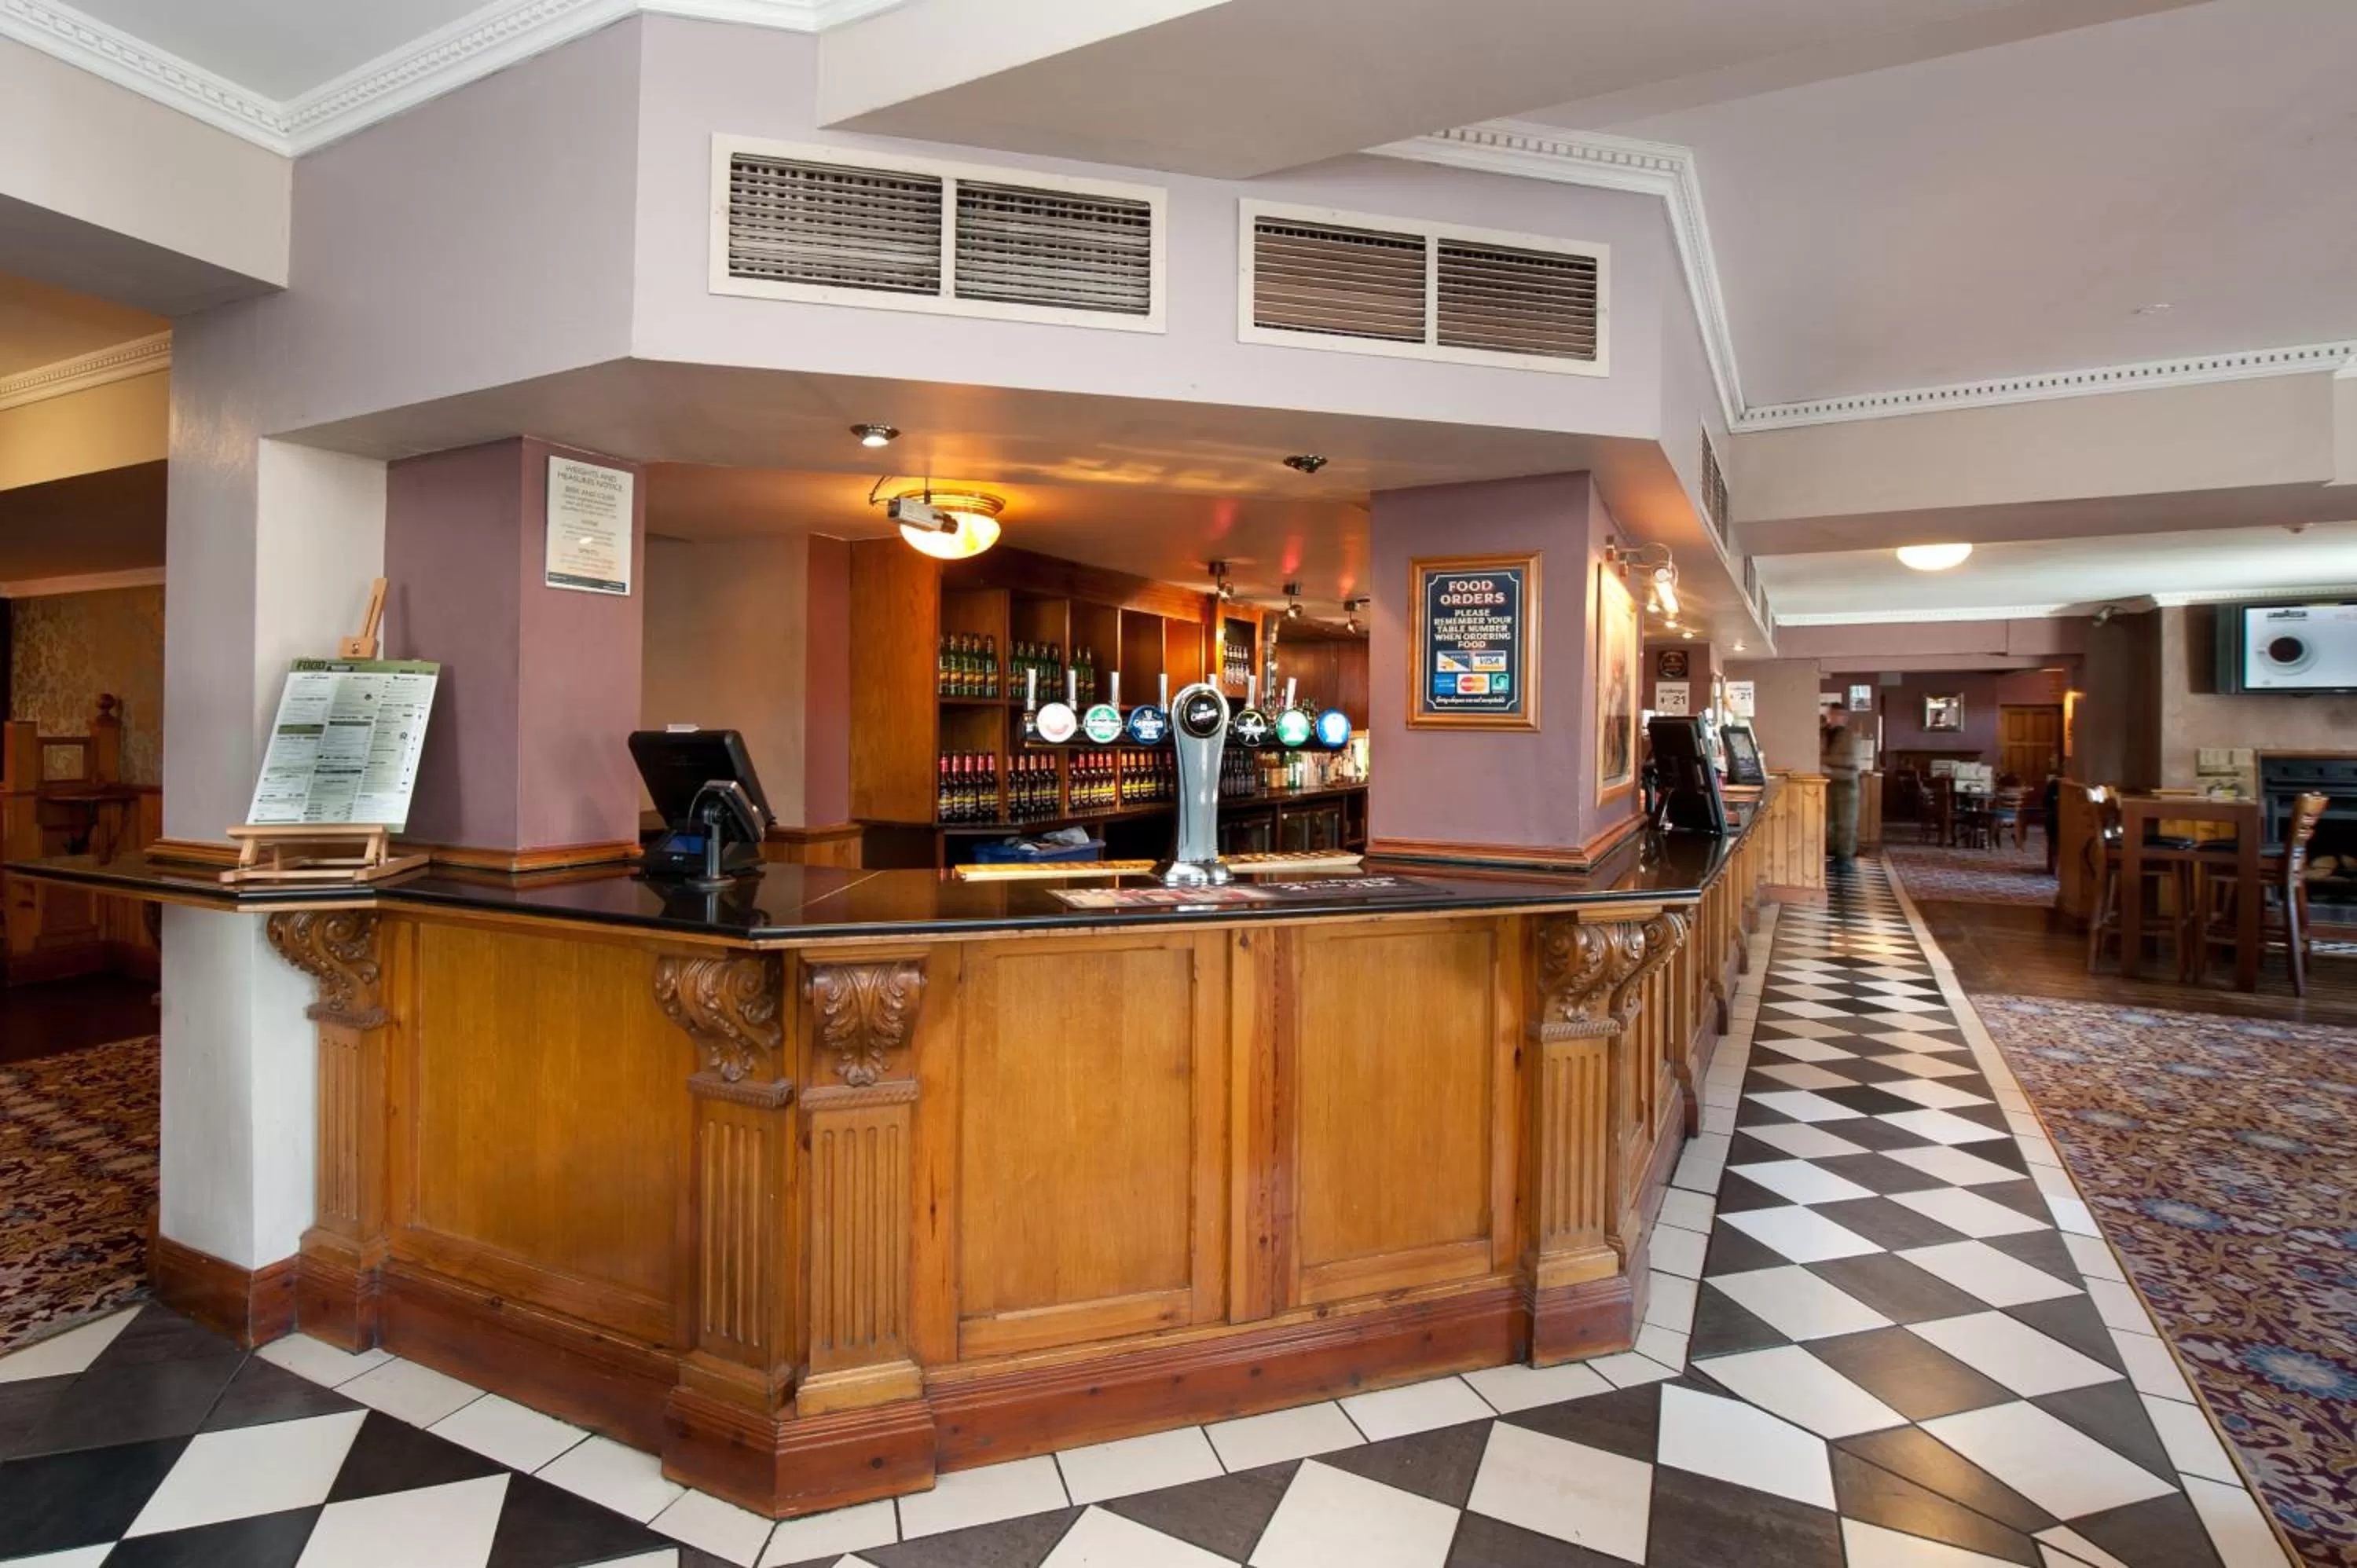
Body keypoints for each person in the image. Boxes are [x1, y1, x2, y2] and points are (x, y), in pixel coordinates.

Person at [1822, 702, 1860, 868]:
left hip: (1846, 785)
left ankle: (1845, 858)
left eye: (1840, 715)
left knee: (1846, 823)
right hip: (1828, 784)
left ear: (1845, 717)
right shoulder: (1822, 732)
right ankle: (1834, 854)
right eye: (1834, 714)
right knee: (1829, 822)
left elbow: (1849, 760)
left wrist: (1825, 763)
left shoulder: (1850, 735)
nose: (1836, 718)